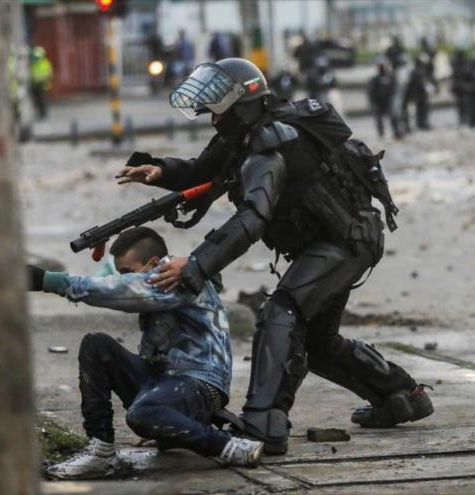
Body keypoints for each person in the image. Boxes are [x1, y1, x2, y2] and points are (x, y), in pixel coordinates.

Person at [118, 58, 433, 455]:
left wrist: (196, 264)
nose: (209, 115)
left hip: (344, 242)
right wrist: (160, 171)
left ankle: (264, 421)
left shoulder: (269, 145)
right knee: (318, 341)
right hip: (338, 239)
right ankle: (402, 395)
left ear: (240, 101)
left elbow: (251, 219)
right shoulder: (245, 135)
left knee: (281, 312)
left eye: (215, 104)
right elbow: (204, 170)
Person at [28, 227, 263, 479]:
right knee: (96, 345)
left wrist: (50, 281)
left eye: (128, 272)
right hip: (164, 379)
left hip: (201, 385)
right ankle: (101, 452)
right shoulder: (168, 276)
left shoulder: (177, 277)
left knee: (142, 414)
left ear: (153, 263)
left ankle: (227, 446)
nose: (124, 279)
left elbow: (124, 290)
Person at [367, 62, 398, 139]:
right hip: (378, 101)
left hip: (387, 100)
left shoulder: (390, 77)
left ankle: (396, 131)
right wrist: (373, 101)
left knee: (392, 117)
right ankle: (381, 132)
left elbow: (393, 88)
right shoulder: (375, 79)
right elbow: (371, 91)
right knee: (379, 118)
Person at [404, 56, 431, 131]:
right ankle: (423, 123)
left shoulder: (413, 72)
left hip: (417, 94)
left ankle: (420, 123)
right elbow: (422, 83)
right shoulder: (420, 72)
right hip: (421, 94)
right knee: (423, 110)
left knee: (419, 110)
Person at [30, 46, 53, 120]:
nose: (36, 59)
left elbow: (49, 74)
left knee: (41, 100)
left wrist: (42, 79)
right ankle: (40, 113)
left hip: (42, 85)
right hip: (35, 84)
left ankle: (43, 113)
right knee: (37, 100)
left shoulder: (45, 63)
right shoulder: (33, 64)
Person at [450, 49, 471, 126]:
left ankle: (464, 117)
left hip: (461, 87)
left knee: (463, 103)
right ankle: (463, 117)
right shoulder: (461, 64)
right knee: (462, 103)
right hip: (461, 87)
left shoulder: (458, 63)